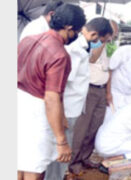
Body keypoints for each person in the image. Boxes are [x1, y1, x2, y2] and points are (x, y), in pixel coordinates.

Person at [17, 3, 86, 180]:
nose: (76, 36)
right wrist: (61, 141)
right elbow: (51, 98)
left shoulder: (28, 40)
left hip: (18, 105)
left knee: (18, 160)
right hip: (37, 112)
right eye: (77, 31)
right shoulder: (59, 55)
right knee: (35, 165)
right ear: (69, 28)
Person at [44, 17, 113, 180]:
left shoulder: (83, 48)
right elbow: (62, 85)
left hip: (75, 106)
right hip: (68, 108)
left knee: (70, 142)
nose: (101, 43)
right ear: (94, 34)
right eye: (101, 40)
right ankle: (60, 174)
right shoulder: (74, 51)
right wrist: (61, 113)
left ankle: (62, 173)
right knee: (64, 145)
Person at [68, 20, 119, 175]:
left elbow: (109, 70)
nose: (112, 38)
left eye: (114, 36)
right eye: (110, 35)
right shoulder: (91, 45)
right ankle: (73, 161)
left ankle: (85, 157)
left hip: (102, 91)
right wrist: (102, 43)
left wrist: (108, 92)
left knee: (95, 126)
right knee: (82, 128)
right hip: (89, 89)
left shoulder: (111, 47)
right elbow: (92, 59)